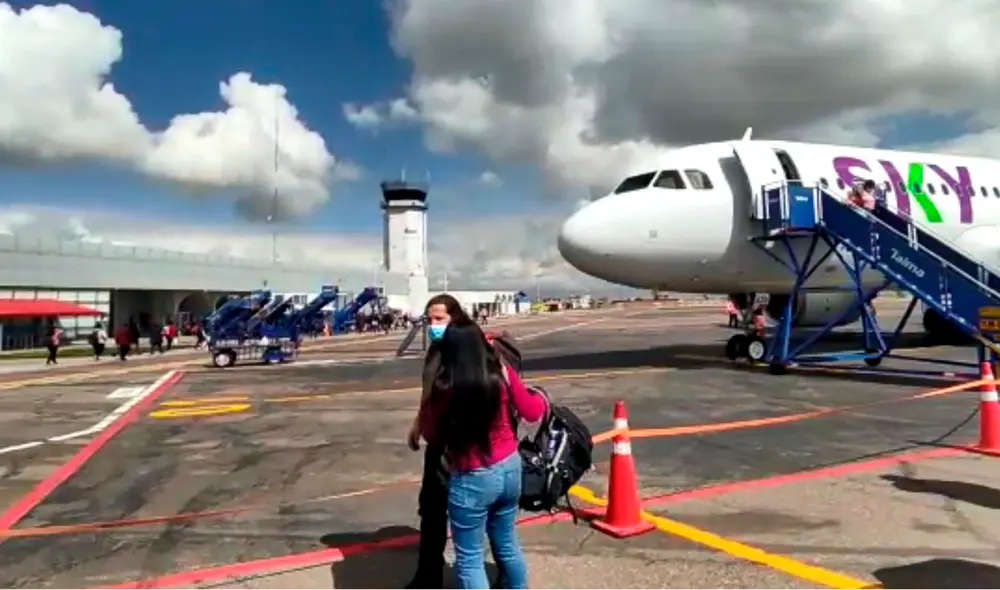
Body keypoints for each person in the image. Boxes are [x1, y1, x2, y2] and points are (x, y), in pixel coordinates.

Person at [416, 318, 548, 589]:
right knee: (507, 543)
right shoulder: (500, 373)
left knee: (470, 558)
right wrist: (541, 397)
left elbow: (431, 433)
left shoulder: (445, 386)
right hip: (509, 467)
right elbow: (533, 411)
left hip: (472, 475)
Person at [405, 293, 469, 589]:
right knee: (431, 509)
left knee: (468, 512)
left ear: (455, 318)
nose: (433, 325)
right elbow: (429, 391)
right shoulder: (435, 350)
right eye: (430, 319)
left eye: (439, 319)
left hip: (458, 443)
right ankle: (428, 576)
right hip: (436, 442)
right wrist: (419, 423)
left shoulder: (464, 351)